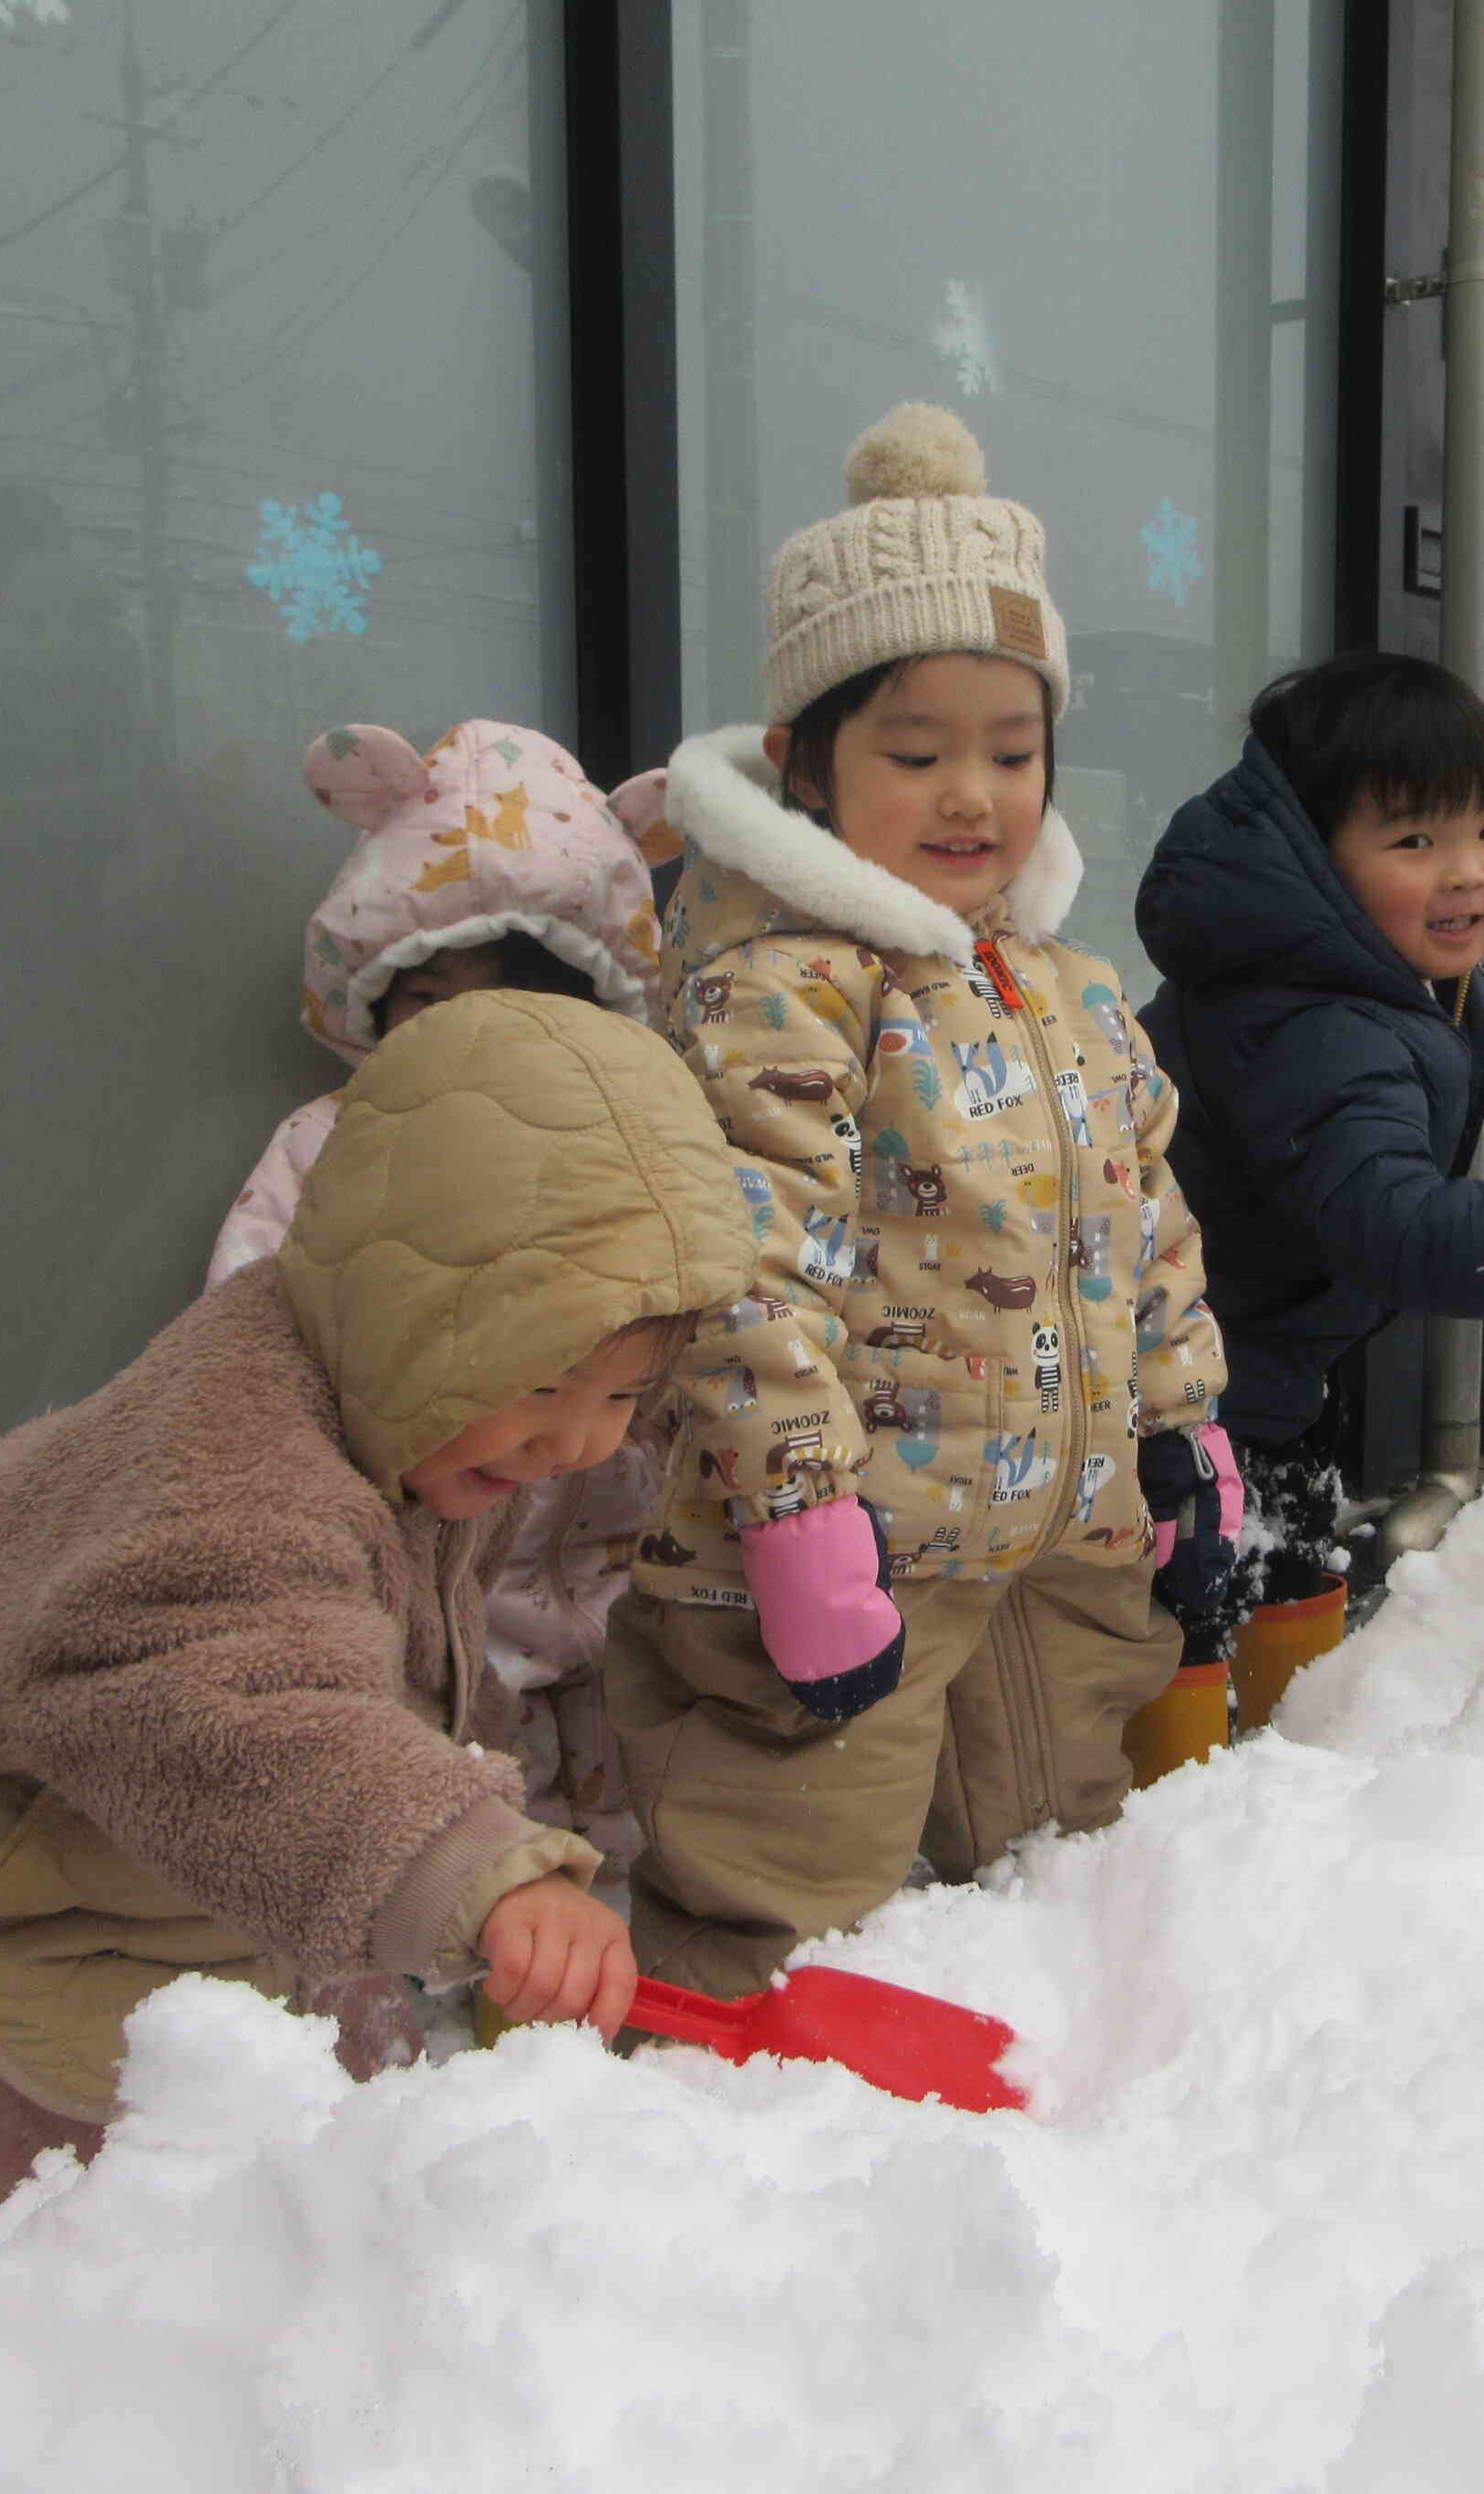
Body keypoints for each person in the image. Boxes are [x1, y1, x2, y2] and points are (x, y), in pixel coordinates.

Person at [0, 995, 752, 2264]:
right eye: (543, 1382)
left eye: (624, 1392)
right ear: (415, 1318)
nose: (583, 1440)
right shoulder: (237, 1467)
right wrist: (480, 1872)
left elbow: (371, 1667)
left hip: (103, 1823)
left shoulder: (400, 1415)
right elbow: (231, 1703)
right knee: (31, 2244)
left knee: (323, 2080)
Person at [605, 402, 1235, 1998]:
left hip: (1051, 1544)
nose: (973, 794)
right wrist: (800, 1520)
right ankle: (697, 2119)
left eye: (1011, 751)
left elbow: (1143, 1229)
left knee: (1044, 1866)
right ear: (808, 769)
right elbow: (743, 1267)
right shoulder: (784, 988)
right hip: (847, 1560)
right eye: (913, 751)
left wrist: (1184, 1429)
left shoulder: (1069, 987)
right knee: (780, 1882)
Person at [208, 718, 674, 1912]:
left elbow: (714, 1310)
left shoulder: (633, 1154)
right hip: (429, 1600)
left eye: (516, 1007)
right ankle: (443, 2012)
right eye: (427, 1004)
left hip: (624, 1579)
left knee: (634, 1823)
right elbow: (245, 1337)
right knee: (442, 1846)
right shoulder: (335, 1151)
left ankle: (616, 1996)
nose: (468, 1045)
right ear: (374, 1011)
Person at [1133, 651, 1484, 1633]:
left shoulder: (1382, 978)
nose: (1468, 870)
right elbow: (1378, 1214)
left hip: (1256, 1360)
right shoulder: (1308, 1019)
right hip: (1192, 1388)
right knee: (1218, 1620)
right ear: (1317, 857)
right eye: (1416, 839)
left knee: (1281, 1582)